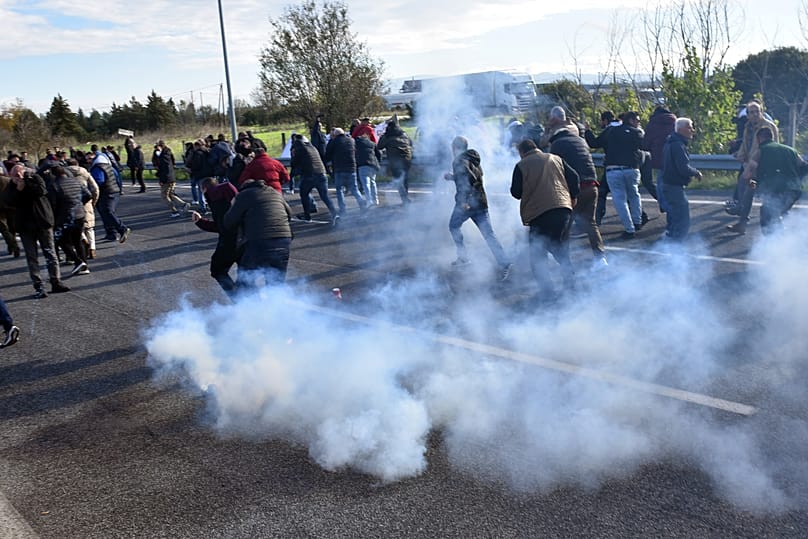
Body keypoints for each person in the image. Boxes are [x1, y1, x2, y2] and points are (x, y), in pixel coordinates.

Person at [510, 139, 579, 299]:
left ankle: (547, 291)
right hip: (563, 208)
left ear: (521, 152)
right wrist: (573, 197)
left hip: (538, 213)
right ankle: (570, 285)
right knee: (559, 247)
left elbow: (516, 192)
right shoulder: (555, 158)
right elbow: (574, 177)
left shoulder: (521, 165)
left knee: (537, 253)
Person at [443, 136, 511, 280]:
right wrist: (453, 177)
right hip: (480, 202)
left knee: (453, 226)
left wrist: (464, 201)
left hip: (468, 204)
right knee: (488, 234)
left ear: (456, 147)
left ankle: (463, 257)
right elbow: (468, 177)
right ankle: (504, 263)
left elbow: (469, 178)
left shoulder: (459, 161)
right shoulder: (473, 159)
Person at [548, 113, 607, 266]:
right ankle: (601, 259)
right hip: (592, 185)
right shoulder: (581, 141)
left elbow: (554, 168)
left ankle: (565, 262)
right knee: (591, 223)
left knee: (565, 226)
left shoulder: (557, 144)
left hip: (575, 189)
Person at [4, 164, 70, 297]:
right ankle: (38, 285)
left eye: (20, 174)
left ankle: (56, 281)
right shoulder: (11, 186)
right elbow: (8, 202)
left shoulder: (36, 178)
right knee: (31, 256)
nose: (18, 177)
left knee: (50, 253)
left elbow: (41, 191)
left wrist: (27, 181)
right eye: (15, 176)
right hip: (25, 226)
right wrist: (18, 189)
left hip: (42, 221)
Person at [223, 178, 293, 289]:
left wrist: (233, 205)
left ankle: (249, 304)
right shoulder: (275, 192)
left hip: (259, 242)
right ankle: (276, 305)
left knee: (245, 281)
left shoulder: (244, 195)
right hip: (283, 240)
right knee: (276, 284)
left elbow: (228, 222)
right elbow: (289, 214)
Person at [588, 111, 644, 239]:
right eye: (637, 120)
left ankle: (629, 229)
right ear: (630, 120)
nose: (638, 123)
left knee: (620, 200)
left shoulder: (610, 131)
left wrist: (587, 131)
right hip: (632, 169)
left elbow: (594, 143)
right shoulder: (636, 132)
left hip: (613, 169)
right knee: (634, 195)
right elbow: (644, 147)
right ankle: (637, 221)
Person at [727, 101, 780, 233]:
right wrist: (740, 156)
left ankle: (777, 225)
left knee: (769, 197)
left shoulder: (768, 127)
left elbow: (772, 147)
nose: (755, 114)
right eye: (752, 112)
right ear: (748, 115)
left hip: (763, 167)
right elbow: (745, 145)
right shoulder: (748, 127)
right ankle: (742, 223)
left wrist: (758, 164)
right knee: (744, 191)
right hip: (750, 166)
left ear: (762, 112)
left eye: (757, 111)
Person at [745, 127, 808, 234]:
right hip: (794, 191)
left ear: (759, 139)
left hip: (775, 192)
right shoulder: (791, 150)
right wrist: (798, 182)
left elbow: (747, 175)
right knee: (777, 215)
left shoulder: (760, 151)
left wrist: (752, 182)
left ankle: (770, 245)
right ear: (772, 137)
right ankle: (782, 240)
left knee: (767, 218)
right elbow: (804, 167)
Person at [191, 177, 240, 296]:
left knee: (217, 270)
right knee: (246, 275)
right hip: (247, 238)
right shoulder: (230, 194)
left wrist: (200, 222)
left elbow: (221, 226)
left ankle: (239, 300)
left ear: (204, 189)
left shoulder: (215, 197)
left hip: (229, 241)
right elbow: (222, 225)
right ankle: (252, 303)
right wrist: (201, 221)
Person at [660, 117, 702, 240]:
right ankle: (677, 250)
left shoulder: (671, 142)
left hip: (669, 186)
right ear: (680, 129)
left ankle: (671, 248)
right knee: (683, 222)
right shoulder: (677, 145)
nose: (692, 130)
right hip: (674, 187)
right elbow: (683, 168)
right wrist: (696, 172)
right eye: (689, 127)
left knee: (675, 220)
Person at [47, 165, 90, 275]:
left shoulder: (54, 185)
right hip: (80, 214)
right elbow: (88, 194)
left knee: (61, 240)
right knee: (77, 240)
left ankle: (77, 261)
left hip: (65, 216)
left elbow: (53, 204)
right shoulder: (75, 181)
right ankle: (84, 265)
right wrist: (80, 204)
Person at [290, 135, 339, 226]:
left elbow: (294, 163)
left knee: (304, 194)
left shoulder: (299, 148)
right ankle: (335, 214)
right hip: (321, 173)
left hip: (309, 174)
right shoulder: (312, 148)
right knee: (325, 196)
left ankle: (307, 216)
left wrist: (293, 155)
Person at [89, 146, 130, 243]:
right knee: (105, 212)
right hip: (114, 191)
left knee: (107, 211)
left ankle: (122, 228)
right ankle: (111, 233)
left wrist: (90, 187)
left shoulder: (97, 168)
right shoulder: (110, 167)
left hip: (106, 192)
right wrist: (120, 189)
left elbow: (99, 181)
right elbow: (118, 178)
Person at [642, 105, 676, 213]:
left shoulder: (653, 124)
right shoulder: (676, 122)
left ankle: (666, 207)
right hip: (675, 158)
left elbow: (645, 144)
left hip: (660, 159)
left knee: (661, 186)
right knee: (675, 186)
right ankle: (675, 207)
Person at [325, 128, 366, 214]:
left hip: (339, 168)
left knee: (339, 190)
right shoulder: (351, 140)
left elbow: (327, 154)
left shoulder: (334, 142)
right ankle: (362, 203)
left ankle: (342, 208)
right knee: (354, 189)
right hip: (352, 168)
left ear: (335, 135)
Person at [66, 158, 99, 259]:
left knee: (77, 226)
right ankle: (92, 248)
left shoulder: (65, 173)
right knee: (89, 227)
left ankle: (83, 240)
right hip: (87, 199)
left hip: (72, 201)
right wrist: (94, 201)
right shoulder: (84, 172)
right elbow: (95, 188)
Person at [377, 116, 413, 205]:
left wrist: (382, 136)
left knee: (398, 179)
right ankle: (406, 197)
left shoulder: (387, 136)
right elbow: (411, 143)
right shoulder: (404, 134)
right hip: (407, 159)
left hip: (396, 160)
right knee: (405, 179)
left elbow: (379, 146)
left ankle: (404, 199)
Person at [156, 141, 190, 218]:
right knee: (170, 194)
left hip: (166, 179)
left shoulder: (163, 157)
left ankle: (174, 211)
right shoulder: (168, 154)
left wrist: (162, 179)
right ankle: (183, 204)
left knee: (164, 196)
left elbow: (164, 169)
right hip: (171, 177)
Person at [355, 134, 382, 206]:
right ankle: (375, 200)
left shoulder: (357, 144)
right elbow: (379, 154)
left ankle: (369, 200)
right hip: (373, 165)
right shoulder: (372, 144)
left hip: (363, 165)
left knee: (366, 184)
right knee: (373, 183)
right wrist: (378, 162)